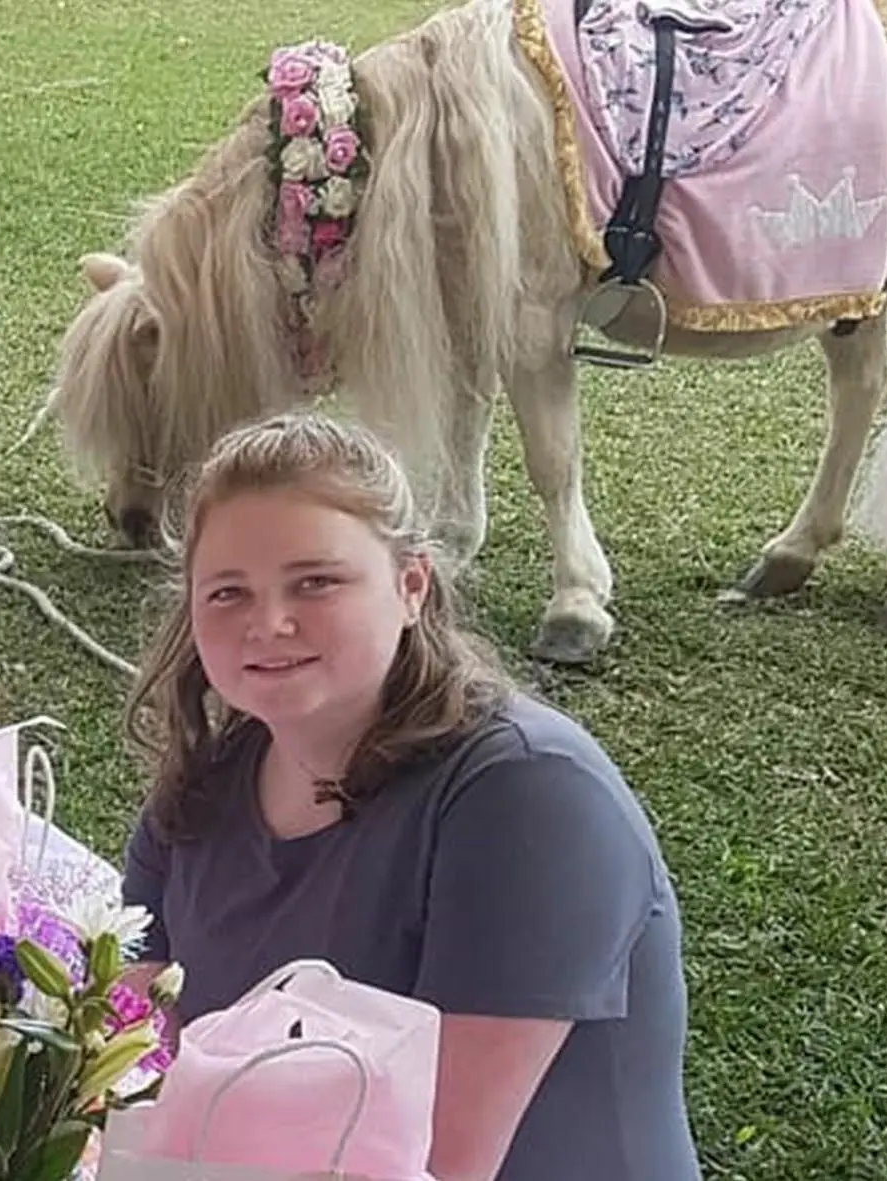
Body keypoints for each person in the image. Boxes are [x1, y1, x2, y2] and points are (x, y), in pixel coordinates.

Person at [118, 413, 697, 1181]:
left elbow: (441, 1161)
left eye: (315, 580)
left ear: (411, 584)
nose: (269, 622)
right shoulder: (211, 777)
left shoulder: (527, 797)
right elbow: (129, 1055)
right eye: (227, 592)